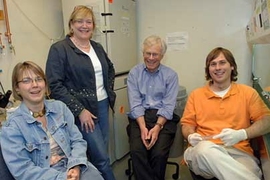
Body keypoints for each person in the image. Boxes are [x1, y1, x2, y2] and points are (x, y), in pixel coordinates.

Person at [0, 61, 104, 180]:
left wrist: (75, 166)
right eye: (26, 81)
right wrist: (63, 177)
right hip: (44, 174)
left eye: (39, 79)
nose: (35, 85)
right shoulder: (12, 127)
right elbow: (23, 170)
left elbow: (77, 141)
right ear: (17, 88)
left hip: (73, 165)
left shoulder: (60, 108)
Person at [46, 5, 116, 180]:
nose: (84, 25)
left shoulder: (97, 47)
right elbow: (55, 85)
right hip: (82, 111)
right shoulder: (60, 49)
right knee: (101, 159)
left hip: (102, 105)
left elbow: (110, 70)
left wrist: (108, 92)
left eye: (88, 22)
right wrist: (79, 110)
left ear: (93, 26)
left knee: (100, 154)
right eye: (79, 21)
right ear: (71, 24)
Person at [181, 47, 270, 180]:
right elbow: (187, 124)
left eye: (222, 62)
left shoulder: (247, 93)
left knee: (247, 173)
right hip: (202, 153)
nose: (217, 68)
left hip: (239, 152)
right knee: (205, 150)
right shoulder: (196, 95)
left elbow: (267, 121)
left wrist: (242, 134)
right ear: (208, 69)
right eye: (213, 64)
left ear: (232, 66)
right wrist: (190, 135)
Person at [127, 35, 180, 180]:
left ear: (162, 55)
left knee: (158, 154)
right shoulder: (134, 73)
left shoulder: (171, 75)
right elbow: (135, 103)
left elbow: (168, 106)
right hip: (140, 118)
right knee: (137, 151)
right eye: (147, 53)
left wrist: (157, 127)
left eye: (155, 54)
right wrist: (143, 128)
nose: (150, 58)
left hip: (163, 119)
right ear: (143, 53)